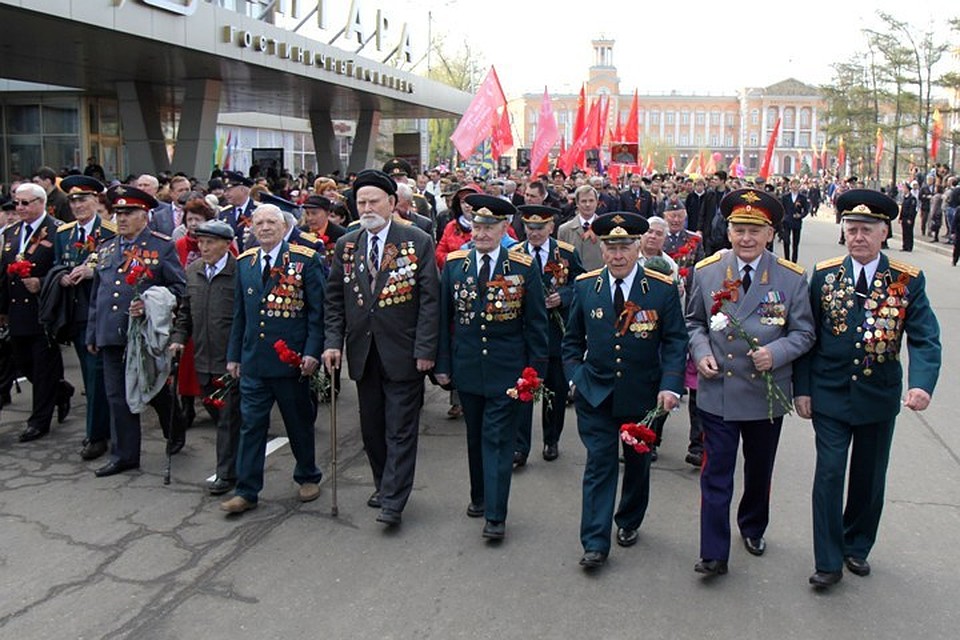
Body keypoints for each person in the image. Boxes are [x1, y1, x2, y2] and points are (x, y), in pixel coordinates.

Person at [794, 189, 941, 589]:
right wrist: (802, 389)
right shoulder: (825, 276)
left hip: (878, 395)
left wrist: (922, 385)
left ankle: (856, 545)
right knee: (829, 473)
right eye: (851, 229)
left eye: (866, 230)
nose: (857, 237)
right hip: (829, 392)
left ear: (883, 233)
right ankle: (827, 559)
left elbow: (925, 338)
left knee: (868, 476)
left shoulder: (906, 280)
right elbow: (808, 336)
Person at [686, 189, 815, 577]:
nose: (746, 238)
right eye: (739, 229)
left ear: (770, 234)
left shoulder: (789, 278)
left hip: (766, 392)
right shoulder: (708, 271)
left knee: (759, 470)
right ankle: (713, 552)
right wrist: (701, 352)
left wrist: (776, 353)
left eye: (754, 231)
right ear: (727, 232)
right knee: (716, 473)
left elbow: (805, 333)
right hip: (718, 390)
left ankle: (753, 526)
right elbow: (692, 322)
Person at [562, 212, 688, 569]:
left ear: (638, 248)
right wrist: (575, 376)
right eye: (611, 248)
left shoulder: (660, 288)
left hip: (643, 396)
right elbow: (571, 342)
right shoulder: (587, 286)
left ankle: (629, 519)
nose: (618, 256)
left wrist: (670, 386)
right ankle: (595, 541)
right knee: (599, 463)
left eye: (625, 247)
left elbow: (676, 341)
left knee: (636, 464)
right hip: (596, 393)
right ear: (602, 250)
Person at [323, 169, 440, 525]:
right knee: (372, 428)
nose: (367, 208)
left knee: (400, 428)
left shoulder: (416, 240)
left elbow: (430, 301)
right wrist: (332, 343)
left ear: (391, 203)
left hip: (403, 353)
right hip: (363, 353)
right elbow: (334, 300)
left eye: (374, 201)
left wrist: (425, 350)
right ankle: (383, 483)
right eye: (361, 202)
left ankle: (394, 499)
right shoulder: (348, 244)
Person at [434, 194, 548, 541]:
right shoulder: (455, 264)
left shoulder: (523, 267)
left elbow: (536, 324)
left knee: (497, 439)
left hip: (508, 370)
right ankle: (479, 496)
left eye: (489, 227)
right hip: (468, 367)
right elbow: (444, 319)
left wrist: (534, 372)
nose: (481, 233)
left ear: (504, 229)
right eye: (477, 226)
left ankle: (496, 515)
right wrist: (442, 365)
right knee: (474, 436)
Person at [222, 204, 326, 514]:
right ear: (252, 228)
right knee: (251, 425)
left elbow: (316, 313)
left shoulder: (304, 259)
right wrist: (234, 356)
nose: (265, 227)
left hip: (290, 362)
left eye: (271, 222)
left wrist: (312, 352)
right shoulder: (245, 262)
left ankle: (307, 475)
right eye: (259, 222)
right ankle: (247, 490)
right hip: (254, 361)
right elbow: (239, 315)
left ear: (284, 227)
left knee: (298, 423)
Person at [86, 185, 187, 476]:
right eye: (118, 213)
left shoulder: (161, 246)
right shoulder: (106, 248)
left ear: (144, 215)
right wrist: (92, 332)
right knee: (117, 395)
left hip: (143, 335)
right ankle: (125, 454)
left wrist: (149, 302)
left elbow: (178, 289)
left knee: (151, 388)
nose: (121, 218)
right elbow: (99, 294)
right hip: (111, 333)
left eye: (128, 212)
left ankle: (174, 425)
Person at [170, 220, 240, 495]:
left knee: (228, 419)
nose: (205, 247)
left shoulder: (240, 272)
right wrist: (177, 339)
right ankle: (239, 458)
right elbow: (184, 312)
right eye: (201, 242)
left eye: (211, 242)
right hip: (202, 357)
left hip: (230, 360)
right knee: (216, 411)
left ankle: (227, 473)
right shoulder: (193, 271)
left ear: (226, 244)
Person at [0, 183, 74, 442]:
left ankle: (39, 421)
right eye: (17, 202)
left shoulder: (58, 231)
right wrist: (2, 310)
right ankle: (61, 391)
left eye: (25, 203)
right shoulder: (11, 232)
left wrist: (42, 282)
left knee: (43, 368)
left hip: (45, 311)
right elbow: (3, 272)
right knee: (24, 364)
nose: (19, 208)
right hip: (17, 311)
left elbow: (64, 268)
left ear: (41, 203)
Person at [510, 204, 583, 465]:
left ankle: (551, 439)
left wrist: (562, 297)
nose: (534, 232)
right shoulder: (514, 254)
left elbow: (580, 284)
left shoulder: (565, 253)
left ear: (551, 227)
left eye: (540, 228)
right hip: (522, 335)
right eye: (529, 227)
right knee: (523, 390)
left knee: (556, 390)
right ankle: (519, 446)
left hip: (555, 335)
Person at [54, 175, 117, 460]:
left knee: (102, 377)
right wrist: (62, 277)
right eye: (73, 201)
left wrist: (94, 272)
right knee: (91, 376)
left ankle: (99, 434)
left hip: (104, 313)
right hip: (76, 314)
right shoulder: (63, 233)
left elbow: (119, 271)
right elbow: (56, 265)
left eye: (83, 200)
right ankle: (99, 432)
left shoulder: (111, 231)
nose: (78, 205)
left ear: (96, 201)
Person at [557, 185, 603, 271]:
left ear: (597, 202)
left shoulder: (605, 228)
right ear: (577, 204)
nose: (588, 204)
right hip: (574, 281)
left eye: (591, 200)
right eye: (583, 201)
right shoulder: (564, 230)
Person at [218, 171, 256, 251]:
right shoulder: (224, 213)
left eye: (229, 190)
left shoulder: (258, 210)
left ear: (242, 189)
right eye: (225, 191)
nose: (226, 194)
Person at [780, 178, 809, 262]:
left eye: (797, 184)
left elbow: (806, 209)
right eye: (793, 184)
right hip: (786, 222)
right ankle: (787, 259)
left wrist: (800, 215)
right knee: (786, 241)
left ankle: (794, 261)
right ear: (790, 185)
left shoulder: (802, 198)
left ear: (799, 186)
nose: (795, 186)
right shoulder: (785, 197)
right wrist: (784, 217)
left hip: (797, 222)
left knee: (795, 243)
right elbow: (782, 208)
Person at [900, 182, 918, 252]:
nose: (903, 190)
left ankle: (909, 246)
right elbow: (903, 208)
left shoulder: (912, 198)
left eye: (904, 188)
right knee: (904, 232)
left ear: (908, 189)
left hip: (908, 218)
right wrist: (900, 217)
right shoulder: (905, 198)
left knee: (909, 232)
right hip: (904, 217)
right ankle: (904, 246)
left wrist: (910, 218)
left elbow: (912, 209)